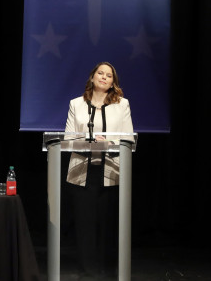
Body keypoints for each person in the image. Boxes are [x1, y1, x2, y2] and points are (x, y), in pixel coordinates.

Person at [64, 61, 133, 280]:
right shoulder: (76, 104)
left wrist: (108, 141)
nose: (104, 77)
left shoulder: (122, 105)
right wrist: (89, 139)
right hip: (82, 171)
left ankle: (107, 269)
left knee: (108, 223)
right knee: (84, 223)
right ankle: (88, 270)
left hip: (111, 170)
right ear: (92, 77)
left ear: (113, 82)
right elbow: (67, 139)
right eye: (100, 73)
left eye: (109, 75)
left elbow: (129, 139)